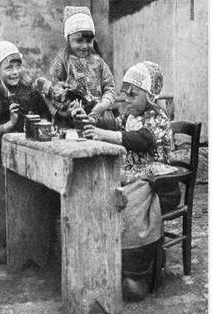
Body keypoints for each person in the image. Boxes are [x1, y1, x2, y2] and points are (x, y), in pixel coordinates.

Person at [74, 61, 180, 300]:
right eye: (125, 94)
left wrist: (104, 135)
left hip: (159, 182)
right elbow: (113, 124)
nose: (127, 100)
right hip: (134, 176)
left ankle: (137, 272)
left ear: (150, 96)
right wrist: (92, 121)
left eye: (133, 95)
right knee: (103, 192)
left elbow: (139, 140)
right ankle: (108, 260)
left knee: (131, 205)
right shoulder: (131, 116)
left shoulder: (157, 118)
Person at [0, 40, 50, 263]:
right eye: (8, 67)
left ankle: (32, 242)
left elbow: (45, 115)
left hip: (29, 152)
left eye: (18, 65)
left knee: (31, 195)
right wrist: (10, 123)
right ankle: (8, 242)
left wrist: (42, 122)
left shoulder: (30, 92)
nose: (15, 72)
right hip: (2, 158)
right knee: (6, 199)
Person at [36, 6, 117, 126]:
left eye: (89, 41)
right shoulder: (61, 62)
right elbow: (51, 92)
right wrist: (64, 111)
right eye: (79, 41)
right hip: (70, 120)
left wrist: (102, 106)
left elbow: (110, 88)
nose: (84, 46)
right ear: (68, 39)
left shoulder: (98, 62)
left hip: (97, 118)